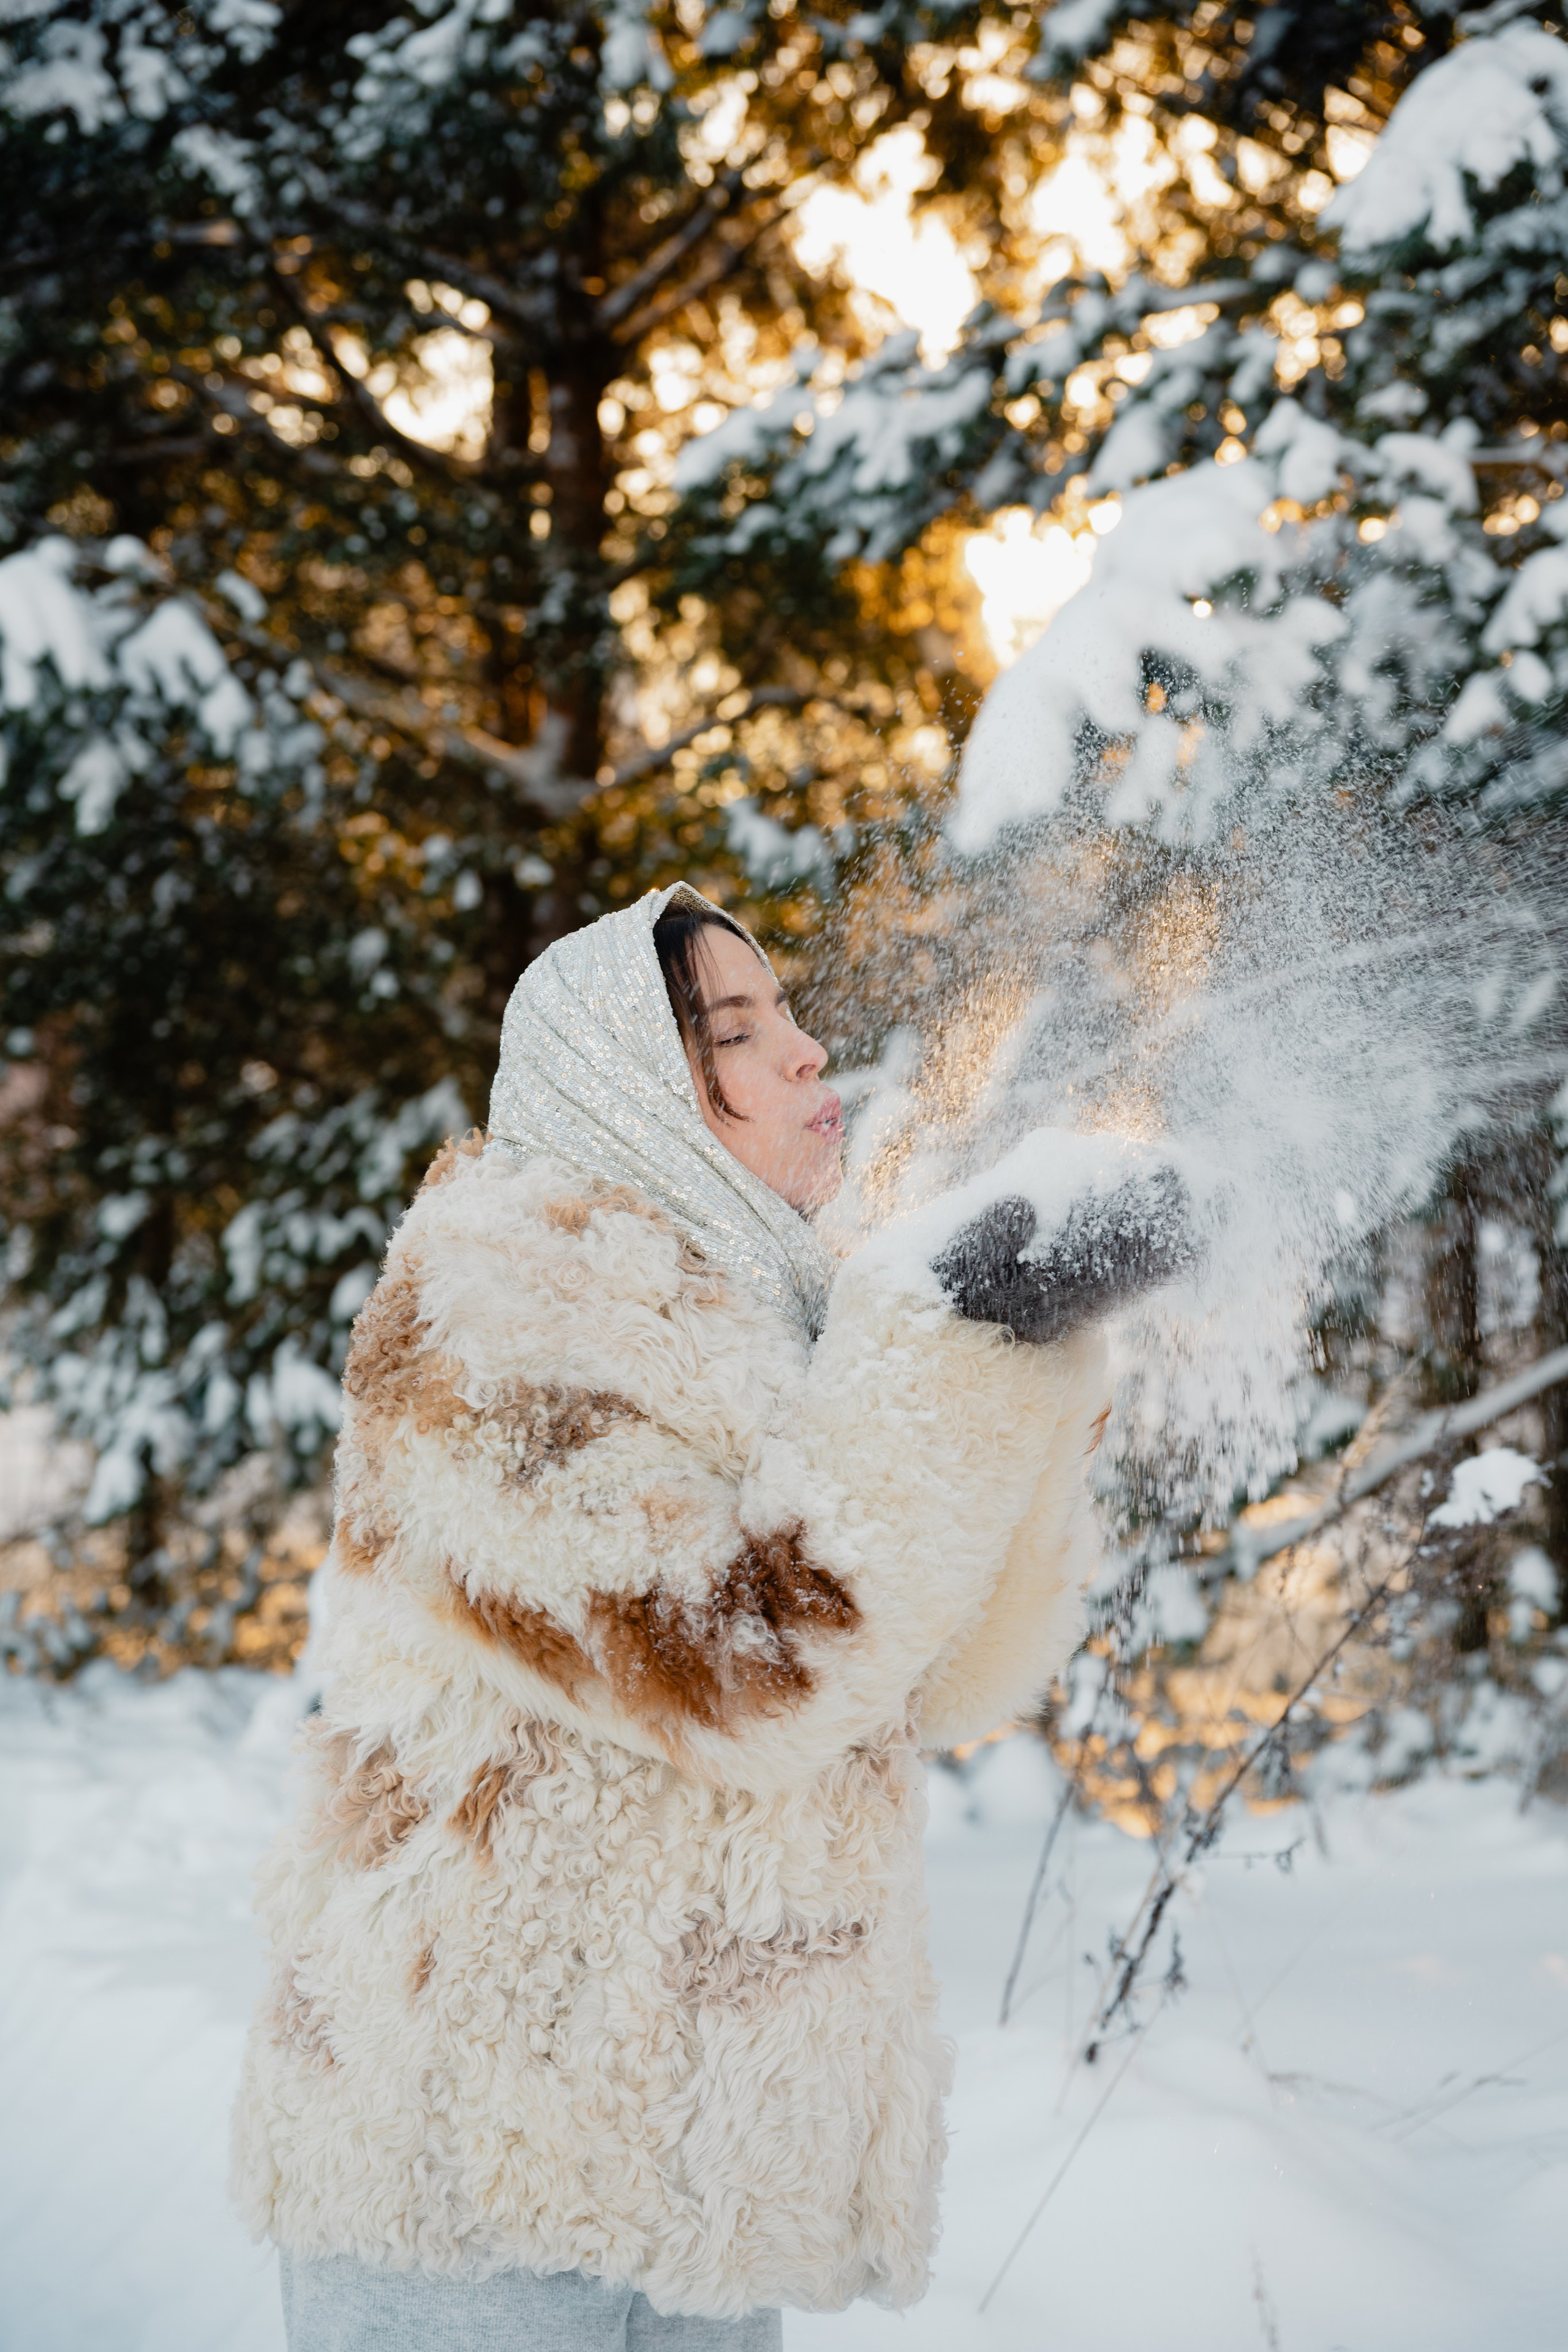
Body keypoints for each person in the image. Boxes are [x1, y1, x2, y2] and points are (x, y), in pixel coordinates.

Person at [233, 881, 1187, 2350]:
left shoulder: (770, 1322)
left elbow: (933, 1686)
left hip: (693, 2163)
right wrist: (940, 1335)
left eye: (788, 1014)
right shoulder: (491, 1320)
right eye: (735, 1032)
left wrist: (1023, 1358)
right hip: (472, 2161)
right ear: (622, 1087)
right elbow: (746, 1670)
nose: (808, 1054)